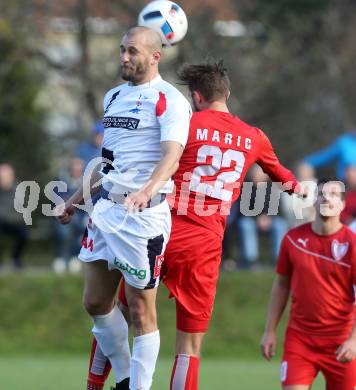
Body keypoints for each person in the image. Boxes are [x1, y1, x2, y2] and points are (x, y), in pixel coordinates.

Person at [85, 60, 305, 390]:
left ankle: (95, 383)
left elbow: (153, 158)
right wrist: (304, 192)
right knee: (189, 346)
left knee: (120, 313)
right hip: (203, 244)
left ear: (196, 97)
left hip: (159, 230)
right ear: (227, 93)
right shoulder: (254, 137)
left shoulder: (186, 123)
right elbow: (286, 180)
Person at [57, 26, 191, 390]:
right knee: (96, 302)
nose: (124, 57)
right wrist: (74, 201)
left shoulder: (170, 100)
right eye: (122, 50)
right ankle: (126, 377)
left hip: (143, 220)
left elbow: (173, 156)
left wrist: (147, 190)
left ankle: (138, 387)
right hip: (105, 213)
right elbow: (107, 165)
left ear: (155, 56)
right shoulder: (113, 96)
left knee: (140, 310)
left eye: (132, 51)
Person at [260, 179, 356, 389]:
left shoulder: (353, 244)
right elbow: (281, 285)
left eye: (333, 194)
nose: (326, 198)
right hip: (300, 340)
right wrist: (269, 331)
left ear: (342, 204)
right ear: (314, 201)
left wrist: (353, 340)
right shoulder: (293, 239)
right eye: (321, 193)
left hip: (341, 341)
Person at [52, 157, 87, 273]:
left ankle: (75, 257)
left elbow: (89, 201)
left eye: (79, 169)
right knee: (64, 232)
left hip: (82, 215)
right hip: (66, 213)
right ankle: (61, 259)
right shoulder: (60, 182)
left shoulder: (87, 183)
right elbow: (58, 199)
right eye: (74, 169)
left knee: (83, 228)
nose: (76, 171)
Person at [0, 163, 28, 269]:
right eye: (2, 177)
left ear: (12, 176)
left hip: (14, 223)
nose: (4, 180)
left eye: (6, 177)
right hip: (1, 222)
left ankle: (16, 259)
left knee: (23, 233)